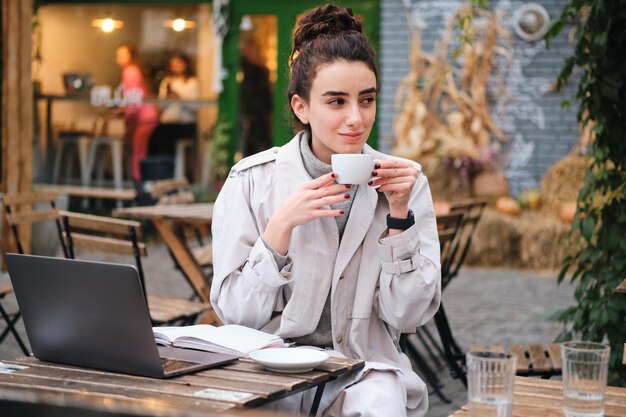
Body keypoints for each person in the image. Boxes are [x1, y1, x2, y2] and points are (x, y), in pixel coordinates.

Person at [210, 4, 440, 417]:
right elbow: (235, 314)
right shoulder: (251, 182)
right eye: (336, 101)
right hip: (269, 369)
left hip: (365, 372)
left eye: (366, 100)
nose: (356, 118)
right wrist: (279, 229)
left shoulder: (405, 184)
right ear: (301, 107)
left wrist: (400, 218)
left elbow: (409, 315)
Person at [115, 42, 159, 182]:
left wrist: (127, 119)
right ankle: (140, 182)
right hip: (147, 116)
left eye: (122, 55)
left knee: (138, 152)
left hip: (144, 118)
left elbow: (133, 100)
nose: (119, 58)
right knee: (140, 151)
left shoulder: (130, 71)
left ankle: (138, 183)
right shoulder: (135, 70)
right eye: (118, 55)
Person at [148, 52, 199, 157]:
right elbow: (160, 106)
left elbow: (195, 106)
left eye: (178, 63)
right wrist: (168, 98)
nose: (175, 67)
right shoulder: (167, 81)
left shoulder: (192, 82)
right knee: (155, 137)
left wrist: (179, 97)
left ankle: (169, 166)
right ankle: (160, 166)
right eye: (173, 64)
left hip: (185, 124)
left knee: (165, 136)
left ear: (185, 64)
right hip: (168, 122)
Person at [238, 36, 273, 157]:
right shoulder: (244, 70)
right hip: (250, 116)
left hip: (258, 117)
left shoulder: (259, 70)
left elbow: (266, 96)